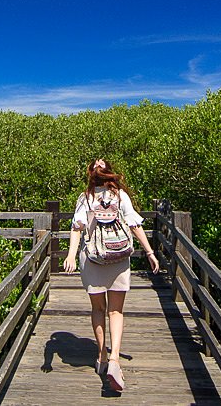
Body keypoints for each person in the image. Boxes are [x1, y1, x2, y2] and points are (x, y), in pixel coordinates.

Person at [63, 158, 160, 393]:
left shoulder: (85, 198)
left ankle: (102, 357)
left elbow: (77, 228)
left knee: (98, 309)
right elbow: (135, 225)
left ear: (90, 176)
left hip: (93, 259)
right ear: (110, 175)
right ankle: (115, 358)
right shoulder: (119, 196)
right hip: (118, 258)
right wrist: (149, 252)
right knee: (116, 311)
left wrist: (71, 256)